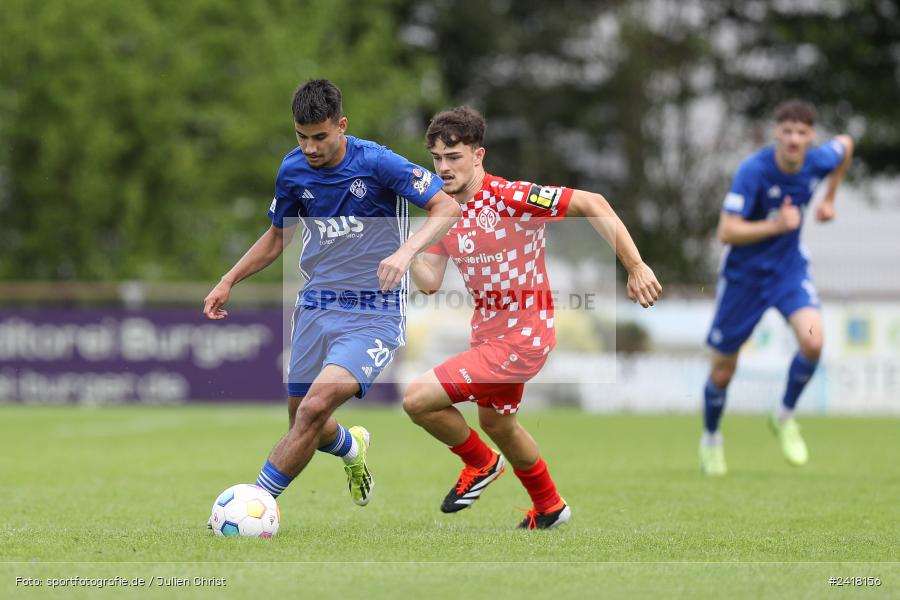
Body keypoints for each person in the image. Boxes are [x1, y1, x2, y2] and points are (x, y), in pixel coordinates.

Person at [203, 79, 459, 509]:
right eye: (301, 137)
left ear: (341, 126)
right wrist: (229, 279)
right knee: (305, 419)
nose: (310, 148)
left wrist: (406, 251)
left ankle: (256, 504)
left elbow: (447, 206)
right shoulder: (292, 171)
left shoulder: (378, 163)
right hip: (315, 306)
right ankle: (351, 449)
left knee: (312, 409)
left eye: (320, 136)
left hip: (373, 312)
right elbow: (276, 236)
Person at [403, 106, 662, 529]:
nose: (444, 168)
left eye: (454, 157)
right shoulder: (443, 213)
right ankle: (551, 507)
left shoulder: (510, 197)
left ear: (478, 155)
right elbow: (430, 281)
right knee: (498, 424)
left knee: (417, 399)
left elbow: (593, 203)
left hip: (523, 338)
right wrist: (406, 246)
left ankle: (481, 464)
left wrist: (634, 266)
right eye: (437, 159)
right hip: (488, 338)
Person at [700, 100, 854, 476]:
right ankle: (711, 438)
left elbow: (846, 144)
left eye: (802, 132)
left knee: (814, 340)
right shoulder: (753, 171)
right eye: (787, 131)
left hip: (788, 272)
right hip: (744, 279)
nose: (794, 139)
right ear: (776, 133)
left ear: (810, 137)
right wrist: (776, 226)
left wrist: (830, 197)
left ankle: (784, 415)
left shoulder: (818, 161)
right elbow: (726, 231)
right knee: (722, 370)